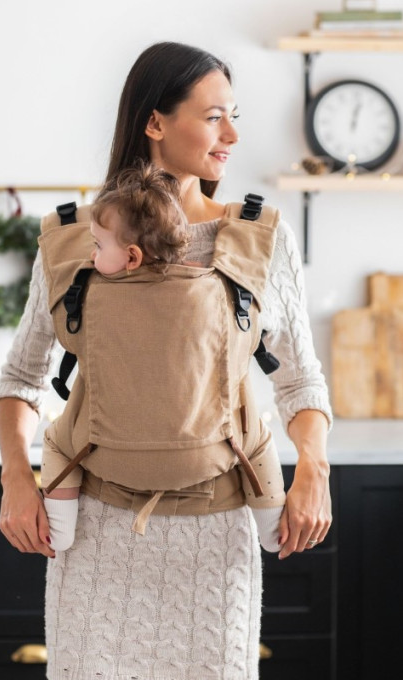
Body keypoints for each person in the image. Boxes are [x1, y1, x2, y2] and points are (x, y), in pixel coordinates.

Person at [0, 40, 333, 680]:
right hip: (96, 540)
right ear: (155, 122)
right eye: (213, 117)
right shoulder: (75, 241)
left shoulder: (261, 237)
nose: (231, 134)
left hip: (217, 542)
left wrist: (314, 471)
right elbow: (21, 378)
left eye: (233, 116)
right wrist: (16, 478)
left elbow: (300, 378)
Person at [39, 160, 288, 555]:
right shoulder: (217, 290)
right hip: (211, 455)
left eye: (98, 246)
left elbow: (63, 343)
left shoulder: (89, 297)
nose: (92, 255)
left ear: (132, 257)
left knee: (56, 442)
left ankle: (60, 534)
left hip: (105, 457)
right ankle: (274, 532)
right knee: (256, 441)